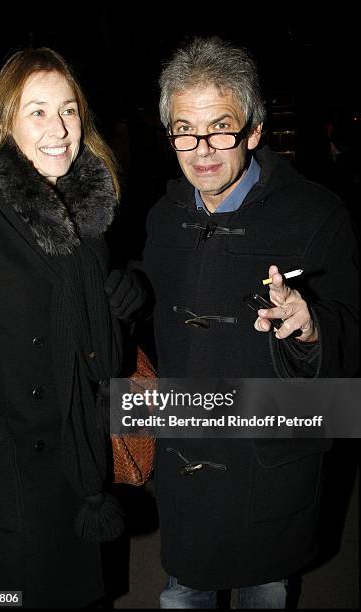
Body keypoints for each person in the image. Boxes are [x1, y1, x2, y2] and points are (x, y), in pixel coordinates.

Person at [139, 37, 359, 608]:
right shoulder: (162, 218)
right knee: (183, 590)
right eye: (185, 129)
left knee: (266, 588)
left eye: (221, 127)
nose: (203, 148)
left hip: (269, 466)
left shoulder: (316, 216)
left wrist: (312, 328)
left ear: (254, 130)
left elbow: (351, 338)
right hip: (187, 463)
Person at [0, 47, 144, 609]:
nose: (59, 128)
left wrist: (124, 304)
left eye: (69, 110)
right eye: (37, 111)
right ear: (5, 122)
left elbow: (103, 363)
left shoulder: (87, 216)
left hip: (75, 463)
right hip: (2, 468)